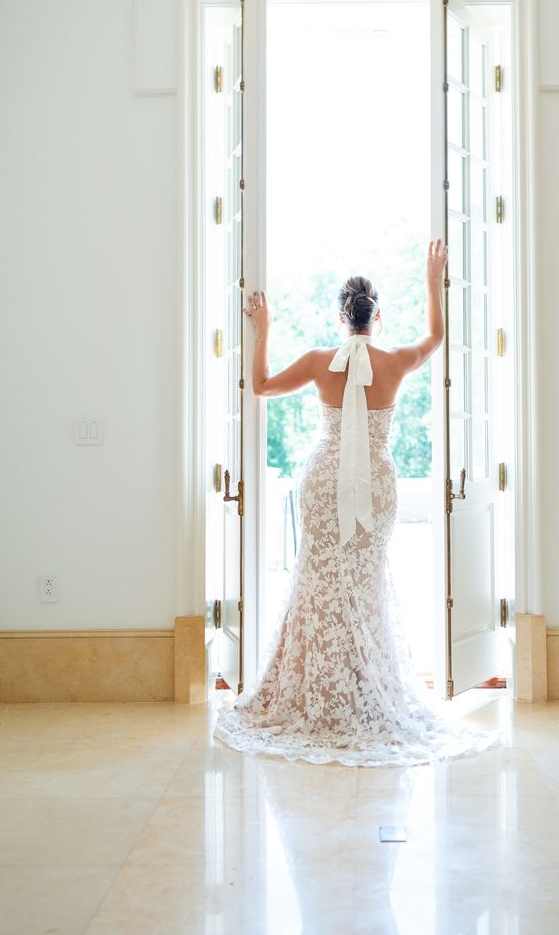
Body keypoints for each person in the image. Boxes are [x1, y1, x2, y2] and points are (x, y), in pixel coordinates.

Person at [213, 239, 501, 766]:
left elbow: (258, 386)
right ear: (377, 318)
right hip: (376, 486)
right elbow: (436, 336)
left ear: (340, 317)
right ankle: (361, 692)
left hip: (323, 483)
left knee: (318, 582)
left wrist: (264, 329)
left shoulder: (320, 362)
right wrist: (432, 278)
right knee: (362, 585)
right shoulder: (393, 361)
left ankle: (316, 696)